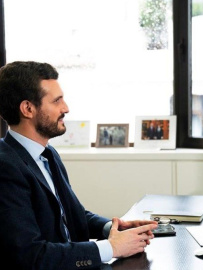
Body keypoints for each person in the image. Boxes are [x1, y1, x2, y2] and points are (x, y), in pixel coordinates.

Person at [0, 61, 158, 269]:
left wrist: (112, 227)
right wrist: (111, 248)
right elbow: (30, 255)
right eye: (57, 101)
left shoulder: (48, 154)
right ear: (28, 109)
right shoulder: (5, 167)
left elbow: (71, 214)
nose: (66, 108)